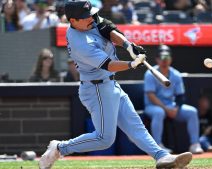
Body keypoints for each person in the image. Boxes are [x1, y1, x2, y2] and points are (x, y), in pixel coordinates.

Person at [38, 1, 192, 169]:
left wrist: (128, 46)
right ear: (73, 21)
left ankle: (161, 156)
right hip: (96, 89)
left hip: (110, 84)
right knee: (104, 139)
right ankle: (60, 147)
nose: (90, 18)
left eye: (89, 14)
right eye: (84, 17)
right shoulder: (80, 43)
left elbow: (108, 29)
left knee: (135, 126)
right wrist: (131, 64)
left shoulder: (89, 19)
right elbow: (108, 64)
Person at [144, 47, 203, 154]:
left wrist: (176, 108)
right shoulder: (150, 73)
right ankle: (157, 146)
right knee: (159, 112)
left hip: (171, 107)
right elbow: (151, 95)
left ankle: (195, 144)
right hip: (153, 106)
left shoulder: (176, 74)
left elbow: (180, 96)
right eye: (162, 57)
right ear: (157, 59)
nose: (164, 60)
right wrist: (166, 109)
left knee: (192, 111)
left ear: (171, 59)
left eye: (167, 57)